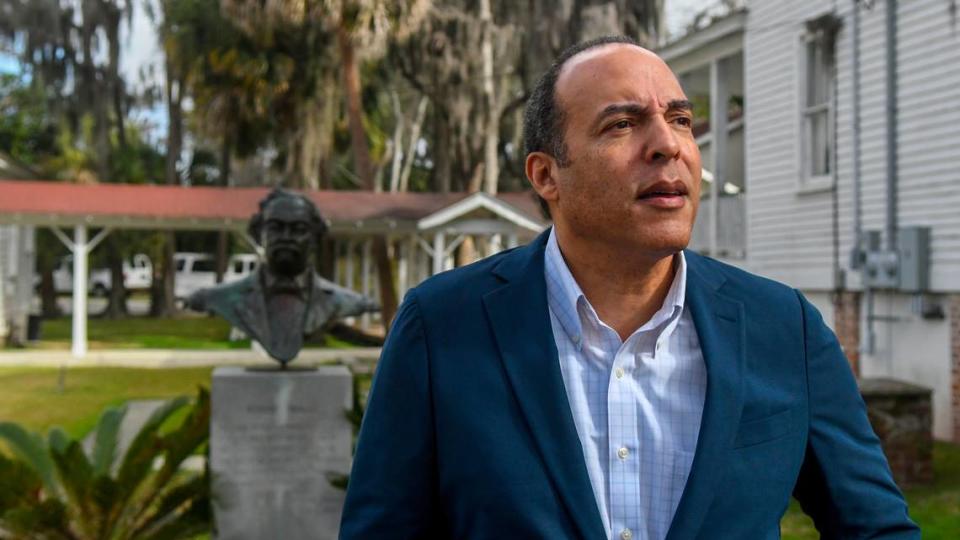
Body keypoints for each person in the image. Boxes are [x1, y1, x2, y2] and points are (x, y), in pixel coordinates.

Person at [340, 36, 919, 539]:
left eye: (681, 120)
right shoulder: (443, 327)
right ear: (546, 175)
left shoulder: (782, 328)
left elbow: (874, 527)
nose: (667, 145)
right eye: (622, 124)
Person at [187, 189, 377, 365]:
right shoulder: (218, 298)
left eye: (299, 229)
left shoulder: (345, 301)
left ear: (315, 239)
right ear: (258, 234)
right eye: (275, 227)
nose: (286, 237)